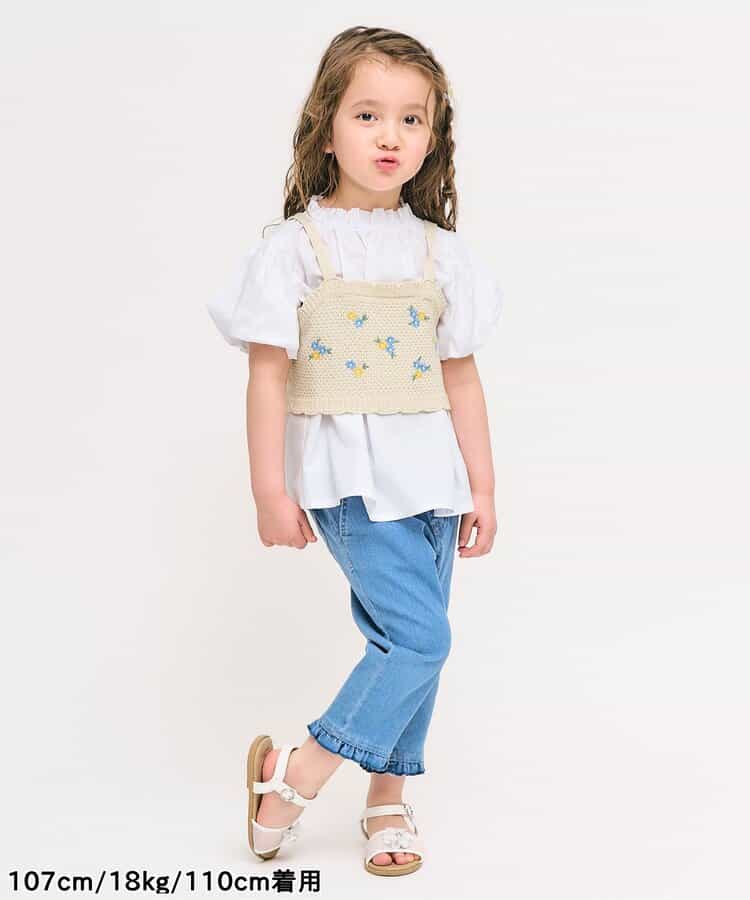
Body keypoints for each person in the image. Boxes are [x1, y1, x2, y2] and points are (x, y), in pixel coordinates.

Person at [207, 25, 504, 877]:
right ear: (327, 126)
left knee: (410, 642)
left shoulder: (441, 254)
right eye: (368, 114)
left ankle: (387, 802)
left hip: (433, 480)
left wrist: (484, 487)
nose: (390, 136)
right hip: (348, 480)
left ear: (434, 137)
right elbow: (268, 376)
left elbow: (461, 378)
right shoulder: (295, 250)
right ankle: (294, 777)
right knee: (421, 639)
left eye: (413, 119)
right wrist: (269, 490)